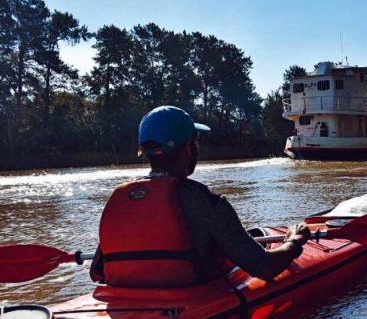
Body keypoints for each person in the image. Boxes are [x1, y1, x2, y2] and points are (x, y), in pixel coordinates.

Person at [90, 105, 311, 288]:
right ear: (189, 148)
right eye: (196, 142)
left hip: (125, 304)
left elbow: (97, 272)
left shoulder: (121, 199)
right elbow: (265, 268)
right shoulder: (206, 203)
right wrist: (294, 241)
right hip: (189, 305)